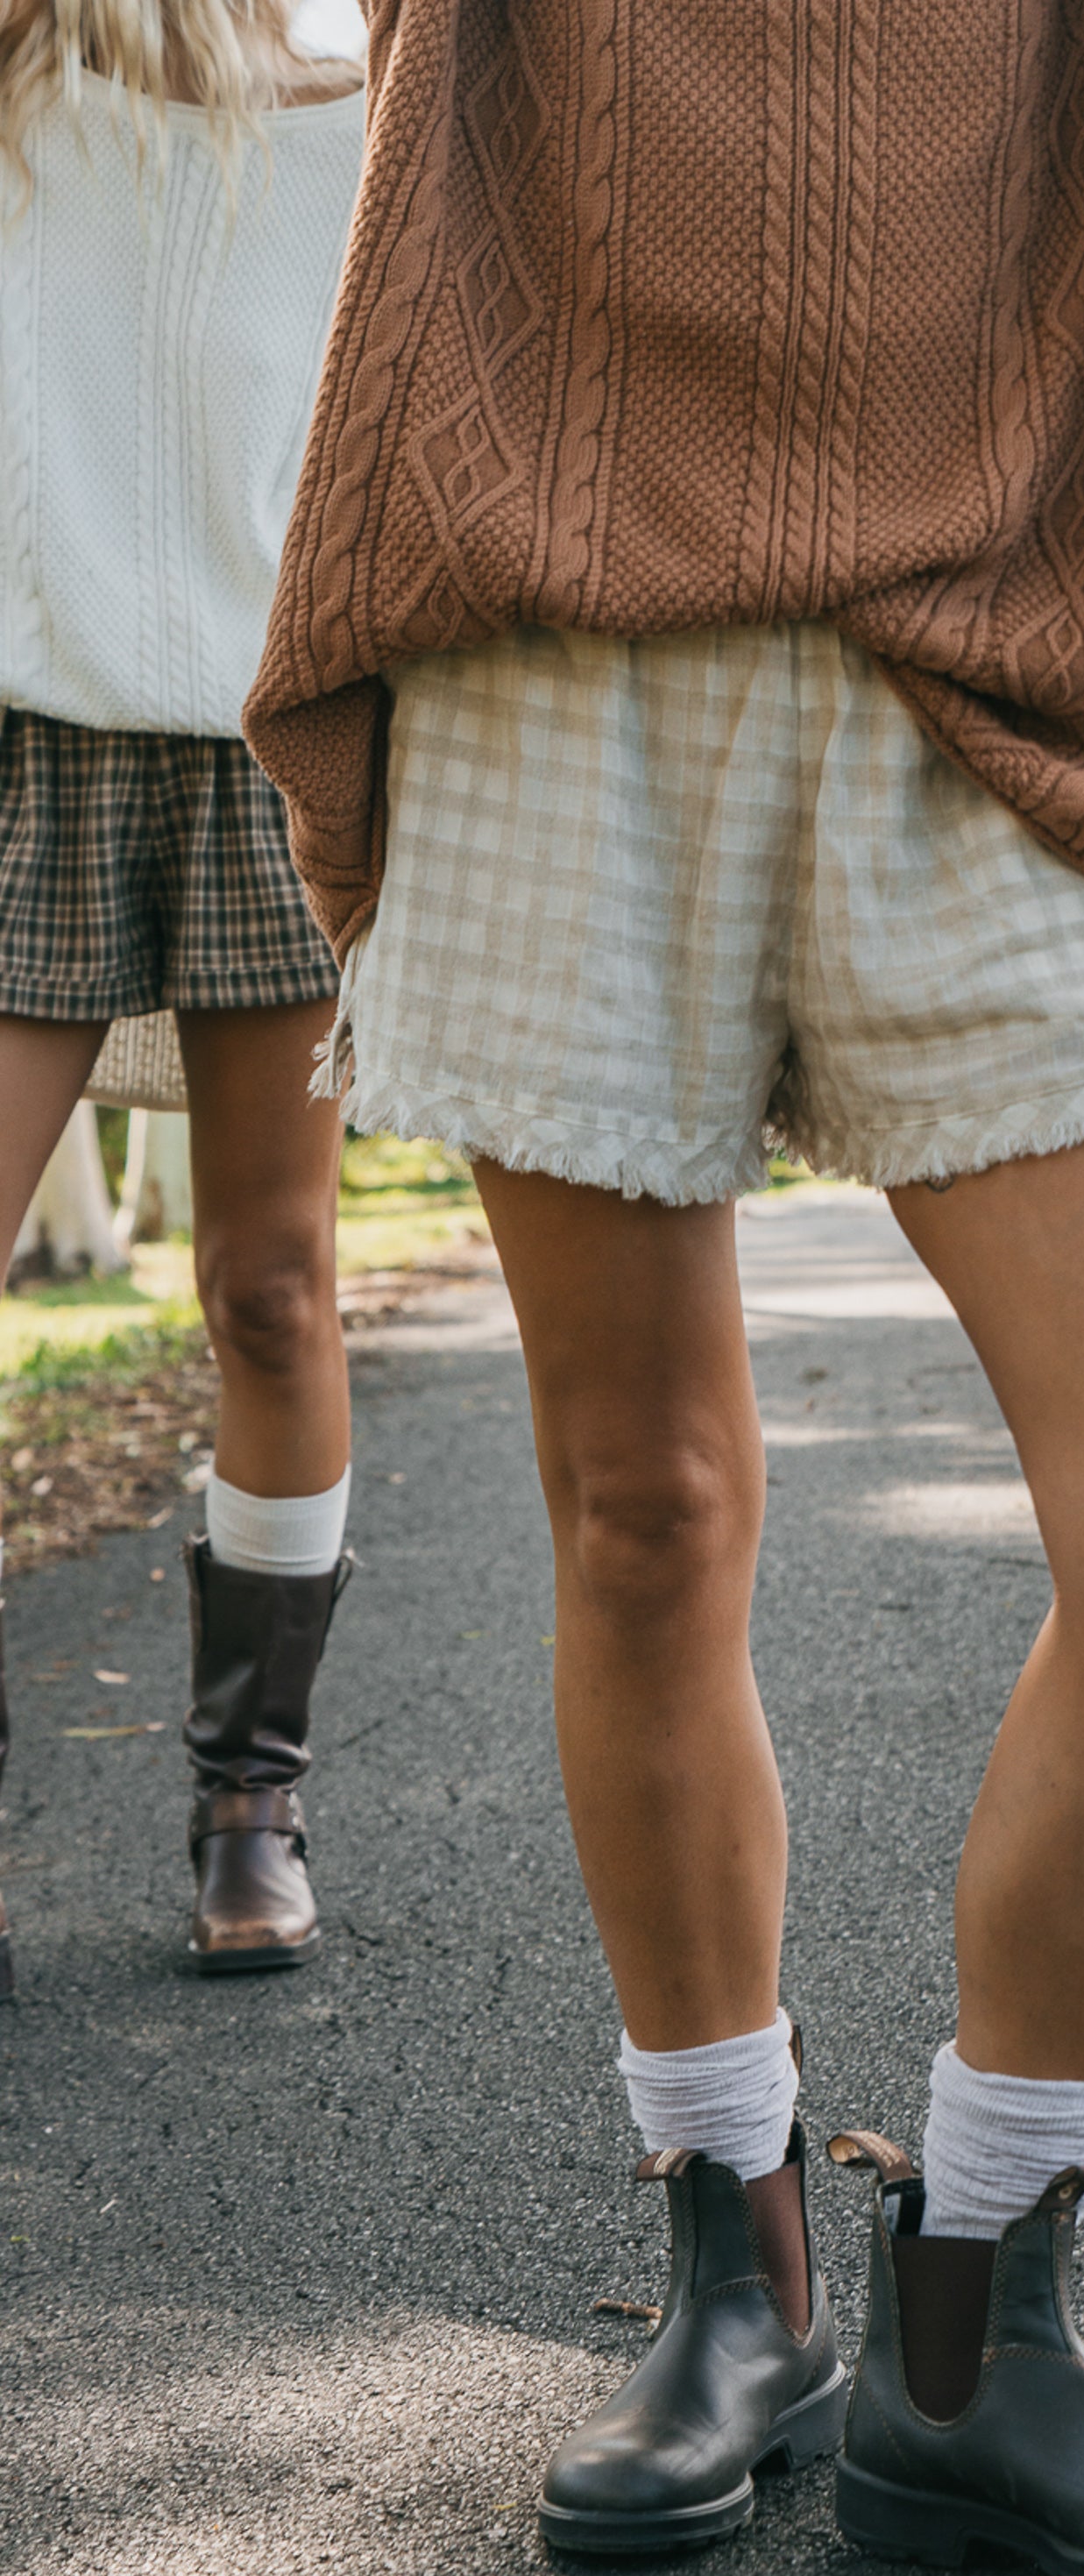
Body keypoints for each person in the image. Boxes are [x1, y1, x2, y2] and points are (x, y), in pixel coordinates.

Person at [249, 0, 1084, 2576]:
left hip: (993, 627)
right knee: (643, 1502)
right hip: (557, 560)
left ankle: (981, 2330)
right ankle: (731, 2259)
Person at [0, 0, 365, 1981]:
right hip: (22, 742)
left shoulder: (376, 120)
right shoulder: (19, 84)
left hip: (258, 749)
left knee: (270, 1284)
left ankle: (251, 1798)